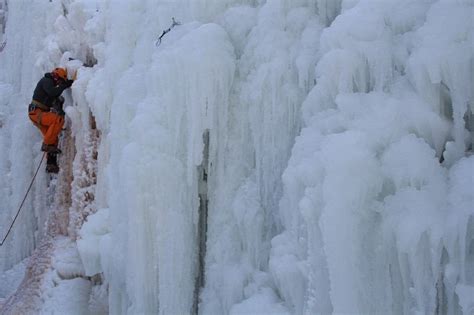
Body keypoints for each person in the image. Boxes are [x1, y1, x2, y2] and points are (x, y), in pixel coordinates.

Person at [28, 67, 74, 173]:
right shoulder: (47, 80)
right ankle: (46, 145)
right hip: (37, 112)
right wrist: (64, 85)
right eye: (59, 80)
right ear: (56, 76)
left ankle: (51, 164)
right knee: (57, 120)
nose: (59, 83)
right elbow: (52, 92)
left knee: (53, 138)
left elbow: (53, 96)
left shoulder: (50, 83)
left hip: (38, 113)